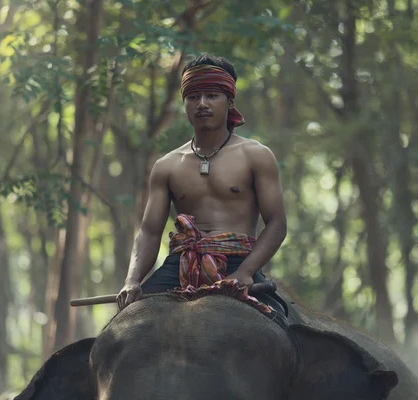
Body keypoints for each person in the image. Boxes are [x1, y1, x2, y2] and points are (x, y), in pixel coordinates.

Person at [116, 53, 289, 326]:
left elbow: (277, 223)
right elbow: (150, 231)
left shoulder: (256, 155)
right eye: (193, 97)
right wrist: (132, 280)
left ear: (230, 101)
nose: (202, 104)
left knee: (282, 333)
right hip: (179, 267)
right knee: (122, 330)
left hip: (238, 262)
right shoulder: (167, 165)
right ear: (184, 103)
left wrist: (246, 272)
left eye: (212, 95)